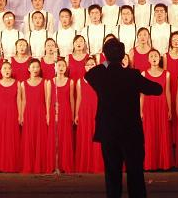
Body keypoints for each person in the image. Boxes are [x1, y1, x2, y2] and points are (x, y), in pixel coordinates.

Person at [85, 38, 162, 198]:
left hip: (109, 131)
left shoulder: (100, 75)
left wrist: (107, 62)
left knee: (112, 173)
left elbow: (89, 74)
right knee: (135, 171)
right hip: (131, 131)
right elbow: (157, 89)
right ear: (122, 56)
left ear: (105, 56)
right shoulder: (133, 75)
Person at [141, 49, 172, 171]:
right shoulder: (144, 74)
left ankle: (163, 163)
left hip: (162, 105)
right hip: (148, 105)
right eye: (151, 56)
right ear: (148, 59)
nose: (154, 58)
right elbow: (142, 94)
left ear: (159, 58)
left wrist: (170, 109)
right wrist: (140, 110)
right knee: (149, 133)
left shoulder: (166, 73)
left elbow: (167, 92)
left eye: (156, 56)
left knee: (162, 132)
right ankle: (150, 163)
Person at [74, 56, 103, 173]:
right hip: (85, 111)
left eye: (92, 64)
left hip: (98, 109)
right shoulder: (80, 81)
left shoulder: (102, 79)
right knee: (86, 136)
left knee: (98, 136)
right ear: (85, 67)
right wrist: (77, 114)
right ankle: (86, 164)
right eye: (88, 65)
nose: (90, 66)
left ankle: (99, 164)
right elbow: (79, 98)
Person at [20, 59, 49, 173]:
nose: (35, 69)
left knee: (40, 138)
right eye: (33, 67)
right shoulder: (23, 84)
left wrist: (47, 114)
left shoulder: (45, 82)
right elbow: (23, 101)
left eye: (37, 67)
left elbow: (47, 100)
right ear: (28, 69)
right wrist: (21, 115)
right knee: (29, 138)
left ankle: (40, 165)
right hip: (28, 113)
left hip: (41, 111)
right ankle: (29, 165)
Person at [0, 61, 21, 172]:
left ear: (12, 70)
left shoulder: (17, 83)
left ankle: (13, 165)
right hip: (1, 113)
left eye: (9, 68)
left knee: (12, 137)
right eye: (4, 68)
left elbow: (19, 100)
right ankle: (1, 165)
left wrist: (20, 114)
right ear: (0, 71)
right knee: (1, 138)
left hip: (13, 112)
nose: (7, 70)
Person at [48, 58, 74, 173]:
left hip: (66, 111)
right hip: (54, 111)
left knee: (65, 137)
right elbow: (48, 99)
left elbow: (72, 99)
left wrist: (73, 114)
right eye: (59, 65)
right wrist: (48, 115)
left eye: (63, 65)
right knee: (54, 137)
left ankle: (65, 164)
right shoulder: (50, 82)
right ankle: (54, 165)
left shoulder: (70, 82)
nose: (61, 68)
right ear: (55, 67)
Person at [164, 31, 178, 143]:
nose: (176, 41)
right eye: (174, 39)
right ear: (170, 41)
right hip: (170, 87)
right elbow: (164, 74)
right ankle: (171, 139)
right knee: (170, 111)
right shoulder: (166, 56)